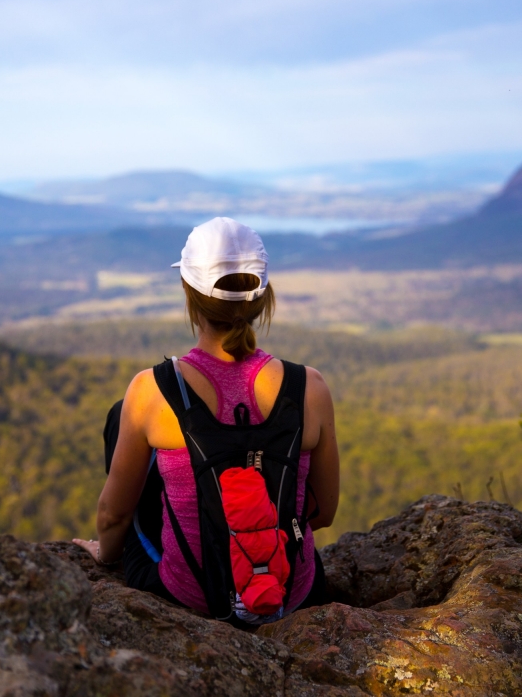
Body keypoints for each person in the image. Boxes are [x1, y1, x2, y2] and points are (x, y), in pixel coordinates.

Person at [74, 217, 339, 621]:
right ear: (263, 299)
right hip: (290, 593)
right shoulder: (311, 388)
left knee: (120, 417)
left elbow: (115, 516)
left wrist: (106, 555)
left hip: (191, 597)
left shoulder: (152, 390)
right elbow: (323, 513)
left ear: (189, 294)